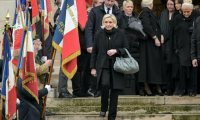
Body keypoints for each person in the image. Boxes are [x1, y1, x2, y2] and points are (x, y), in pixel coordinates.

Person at [91, 14, 128, 120]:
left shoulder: (120, 33)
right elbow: (94, 52)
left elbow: (126, 49)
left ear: (114, 23)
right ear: (103, 23)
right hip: (103, 66)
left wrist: (116, 51)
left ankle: (112, 116)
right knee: (105, 85)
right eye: (106, 22)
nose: (108, 24)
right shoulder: (99, 34)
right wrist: (93, 67)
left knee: (115, 91)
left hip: (117, 66)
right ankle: (103, 107)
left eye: (110, 22)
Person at [85, 0, 124, 97]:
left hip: (114, 46)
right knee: (98, 67)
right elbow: (89, 28)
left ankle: (112, 89)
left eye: (112, 1)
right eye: (108, 1)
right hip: (98, 44)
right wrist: (90, 44)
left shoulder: (118, 12)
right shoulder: (95, 11)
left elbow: (122, 29)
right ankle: (97, 89)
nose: (110, 3)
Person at [17, 38, 52, 120]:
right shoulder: (25, 75)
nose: (36, 53)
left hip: (35, 105)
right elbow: (36, 71)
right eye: (35, 51)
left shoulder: (35, 59)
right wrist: (45, 91)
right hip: (30, 109)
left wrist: (48, 66)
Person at [173, 0, 200, 97]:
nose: (186, 14)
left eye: (188, 12)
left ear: (192, 11)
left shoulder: (196, 18)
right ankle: (181, 90)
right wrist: (176, 47)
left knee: (194, 70)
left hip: (193, 47)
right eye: (184, 12)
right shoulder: (178, 18)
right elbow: (174, 34)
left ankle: (193, 90)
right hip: (182, 47)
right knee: (183, 69)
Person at [138, 0, 165, 96]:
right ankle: (147, 87)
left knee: (155, 64)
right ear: (151, 4)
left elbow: (154, 26)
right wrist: (155, 37)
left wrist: (160, 34)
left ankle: (157, 87)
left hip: (152, 44)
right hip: (148, 44)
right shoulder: (145, 12)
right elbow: (147, 26)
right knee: (148, 65)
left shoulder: (149, 12)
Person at [122, 0, 144, 95]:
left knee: (138, 69)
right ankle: (120, 91)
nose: (130, 8)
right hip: (123, 48)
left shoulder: (137, 18)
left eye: (131, 7)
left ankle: (140, 90)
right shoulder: (119, 18)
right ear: (123, 8)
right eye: (128, 7)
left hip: (135, 47)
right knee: (121, 69)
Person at [159, 0, 175, 95]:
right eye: (168, 4)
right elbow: (160, 26)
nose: (169, 6)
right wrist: (160, 35)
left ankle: (172, 87)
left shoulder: (176, 14)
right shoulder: (163, 14)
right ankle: (165, 87)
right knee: (164, 66)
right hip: (163, 44)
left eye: (171, 4)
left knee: (172, 66)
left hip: (172, 43)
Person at [167, 0, 183, 95]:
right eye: (176, 3)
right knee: (175, 67)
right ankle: (176, 87)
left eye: (178, 3)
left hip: (184, 44)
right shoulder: (175, 16)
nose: (176, 5)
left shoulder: (187, 15)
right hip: (175, 44)